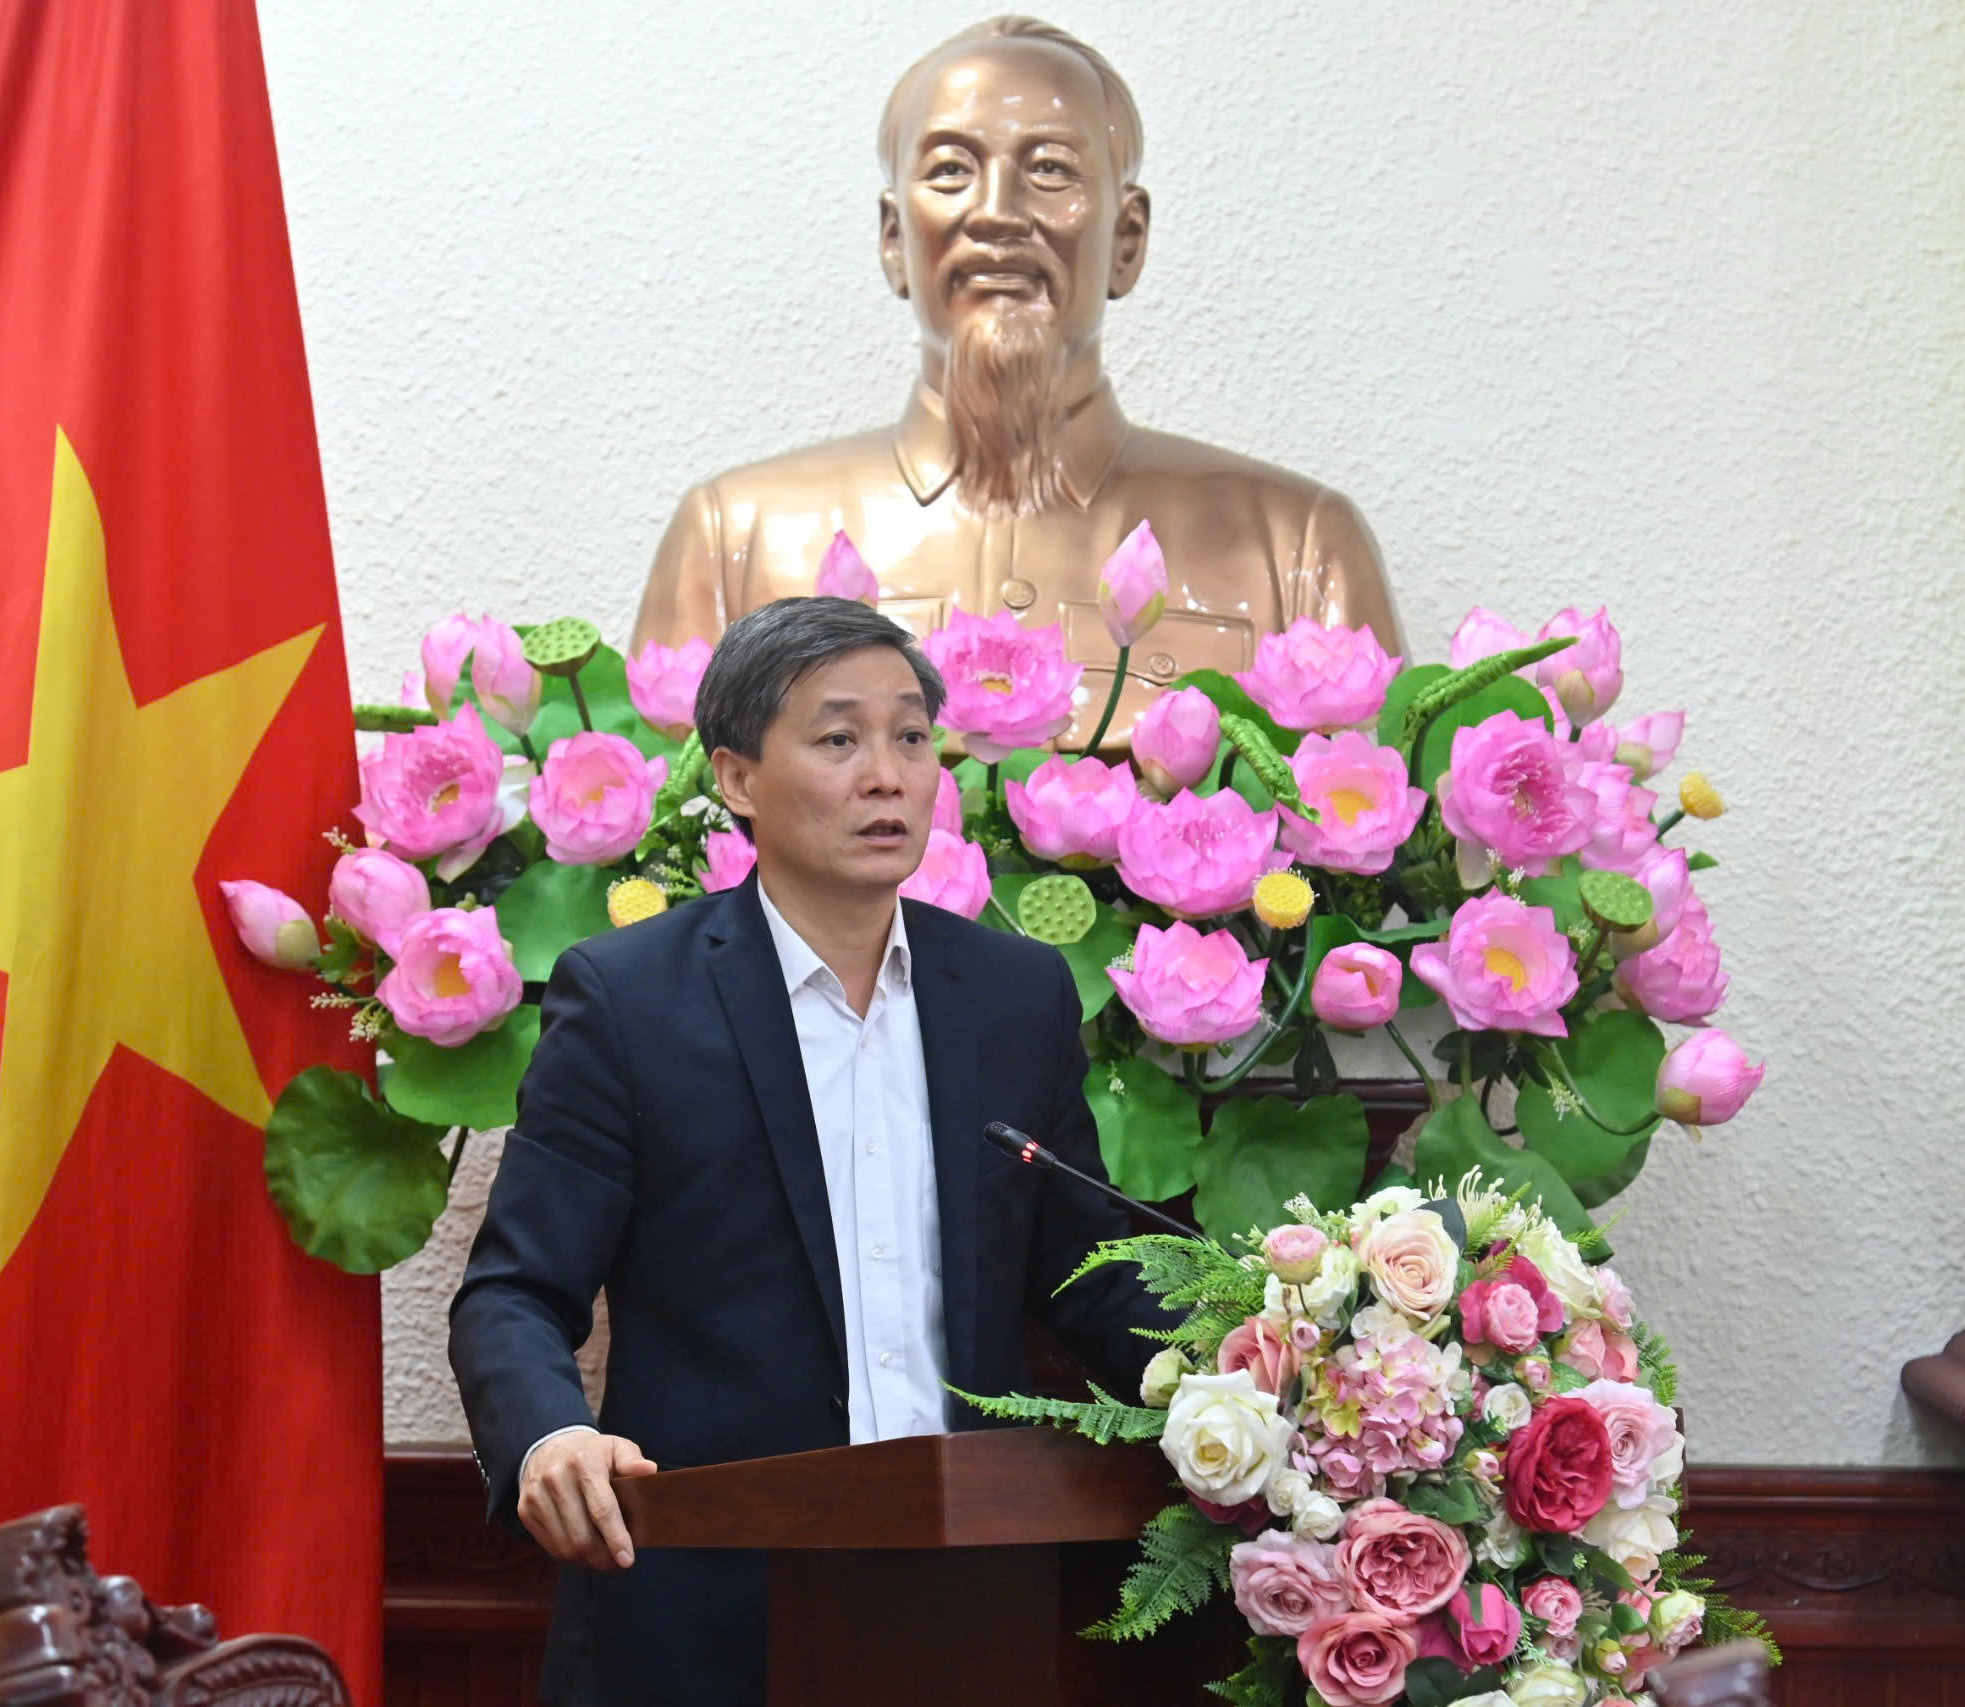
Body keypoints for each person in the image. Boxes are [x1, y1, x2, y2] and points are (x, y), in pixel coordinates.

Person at [449, 597, 1172, 1705]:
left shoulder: (1013, 996)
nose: (887, 776)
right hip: (709, 1606)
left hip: (978, 1601)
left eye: (911, 737)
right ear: (738, 778)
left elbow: (1088, 1278)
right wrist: (550, 1438)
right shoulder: (631, 1002)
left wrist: (1269, 1375)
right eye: (839, 739)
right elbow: (514, 1291)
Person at [631, 16, 1404, 749]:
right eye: (950, 170)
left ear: (1127, 239)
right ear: (894, 240)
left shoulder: (1296, 548)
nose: (997, 213)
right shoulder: (733, 541)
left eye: (1050, 170)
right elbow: (671, 829)